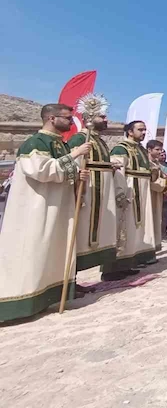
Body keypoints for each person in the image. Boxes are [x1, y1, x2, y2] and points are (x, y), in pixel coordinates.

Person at [0, 104, 90, 321]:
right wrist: (76, 154)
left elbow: (62, 170)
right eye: (67, 118)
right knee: (33, 253)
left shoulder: (59, 143)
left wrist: (79, 175)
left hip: (57, 207)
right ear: (51, 118)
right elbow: (40, 170)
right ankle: (19, 304)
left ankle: (45, 298)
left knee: (51, 253)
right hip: (36, 209)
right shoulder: (36, 142)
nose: (71, 122)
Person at [66, 96, 119, 275]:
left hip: (102, 192)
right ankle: (72, 277)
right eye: (102, 117)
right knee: (81, 231)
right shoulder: (79, 138)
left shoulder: (101, 141)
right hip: (88, 191)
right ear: (89, 117)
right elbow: (72, 162)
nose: (106, 120)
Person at [103, 121, 158, 280]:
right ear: (130, 131)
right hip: (128, 192)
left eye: (145, 130)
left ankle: (126, 264)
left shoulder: (140, 149)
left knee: (134, 230)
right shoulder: (121, 149)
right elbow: (119, 173)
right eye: (140, 129)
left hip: (141, 192)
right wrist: (120, 194)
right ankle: (111, 270)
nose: (144, 132)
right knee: (122, 230)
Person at [145, 139, 167, 249]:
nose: (159, 152)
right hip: (149, 195)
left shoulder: (156, 163)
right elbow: (153, 182)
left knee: (157, 219)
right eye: (157, 150)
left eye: (161, 150)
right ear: (149, 150)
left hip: (158, 196)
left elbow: (162, 177)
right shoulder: (147, 163)